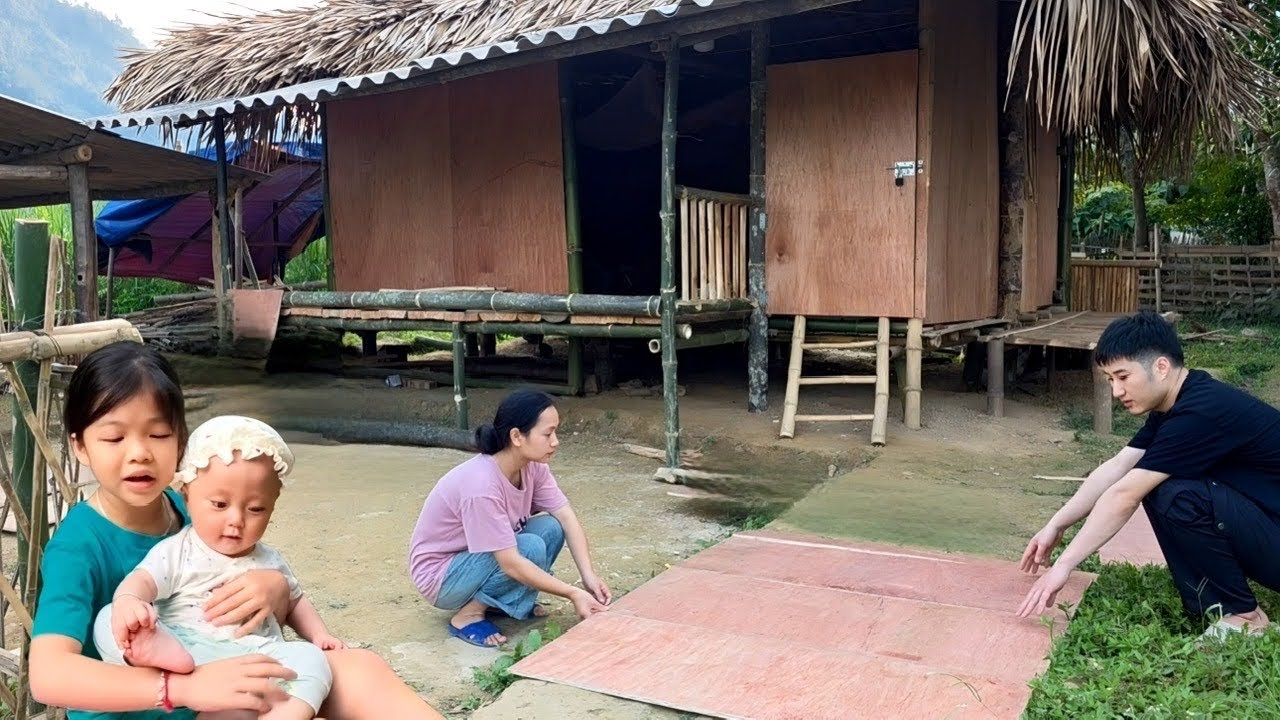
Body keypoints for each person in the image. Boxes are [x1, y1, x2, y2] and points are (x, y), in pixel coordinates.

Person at [30, 340, 444, 720]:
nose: (139, 453)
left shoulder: (188, 505)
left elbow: (232, 598)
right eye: (114, 437)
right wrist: (181, 688)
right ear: (80, 445)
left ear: (181, 442)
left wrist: (276, 592)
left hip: (223, 672)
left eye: (157, 434)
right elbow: (49, 675)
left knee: (355, 668)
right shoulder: (79, 545)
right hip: (157, 707)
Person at [1017, 311, 1280, 640]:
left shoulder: (1201, 411)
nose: (1116, 391)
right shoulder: (1179, 402)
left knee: (1172, 492)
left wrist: (1064, 565)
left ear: (1161, 367)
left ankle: (1244, 616)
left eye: (1123, 376)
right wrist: (1057, 524)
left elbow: (1124, 495)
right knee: (1159, 483)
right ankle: (1213, 603)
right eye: (1110, 379)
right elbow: (1117, 467)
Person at [96, 415, 342, 720]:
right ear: (186, 495)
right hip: (182, 645)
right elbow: (143, 580)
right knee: (110, 618)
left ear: (273, 506)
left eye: (255, 509)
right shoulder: (179, 549)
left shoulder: (271, 560)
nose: (236, 520)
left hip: (251, 656)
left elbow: (295, 602)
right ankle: (159, 654)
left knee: (312, 660)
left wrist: (319, 636)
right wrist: (129, 602)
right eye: (220, 505)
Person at [409, 390, 612, 648]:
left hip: (475, 560)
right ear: (516, 436)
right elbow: (510, 563)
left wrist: (588, 576)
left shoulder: (534, 466)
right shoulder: (482, 485)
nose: (556, 442)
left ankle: (502, 602)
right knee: (529, 548)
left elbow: (566, 517)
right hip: (441, 577)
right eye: (548, 434)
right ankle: (467, 615)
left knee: (551, 527)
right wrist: (573, 593)